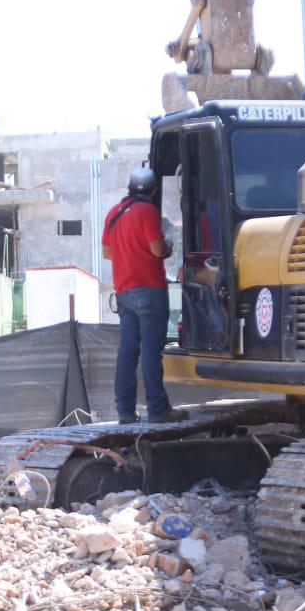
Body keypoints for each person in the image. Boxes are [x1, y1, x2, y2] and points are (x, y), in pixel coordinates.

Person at [102, 167, 187, 425]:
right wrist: (169, 246)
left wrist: (128, 253)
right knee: (151, 351)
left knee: (128, 351)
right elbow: (157, 249)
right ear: (153, 190)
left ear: (129, 187)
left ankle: (125, 411)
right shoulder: (147, 212)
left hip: (124, 292)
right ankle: (158, 409)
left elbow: (107, 253)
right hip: (150, 290)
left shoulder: (113, 213)